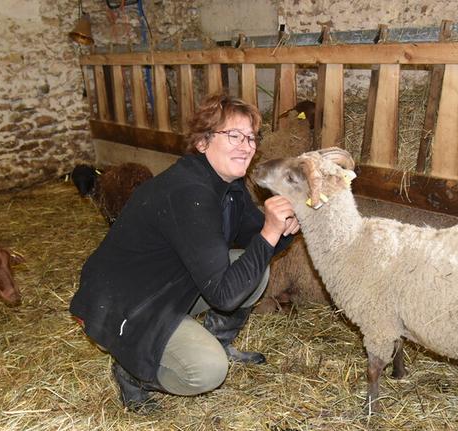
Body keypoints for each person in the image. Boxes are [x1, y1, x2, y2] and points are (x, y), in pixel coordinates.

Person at [70, 94, 300, 410]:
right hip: (122, 306)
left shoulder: (229, 187)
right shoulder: (190, 192)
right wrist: (270, 232)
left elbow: (255, 239)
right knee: (207, 370)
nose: (246, 146)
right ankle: (131, 371)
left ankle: (218, 340)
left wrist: (283, 229)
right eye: (233, 135)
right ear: (203, 143)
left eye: (250, 138)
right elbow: (224, 296)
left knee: (253, 267)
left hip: (167, 286)